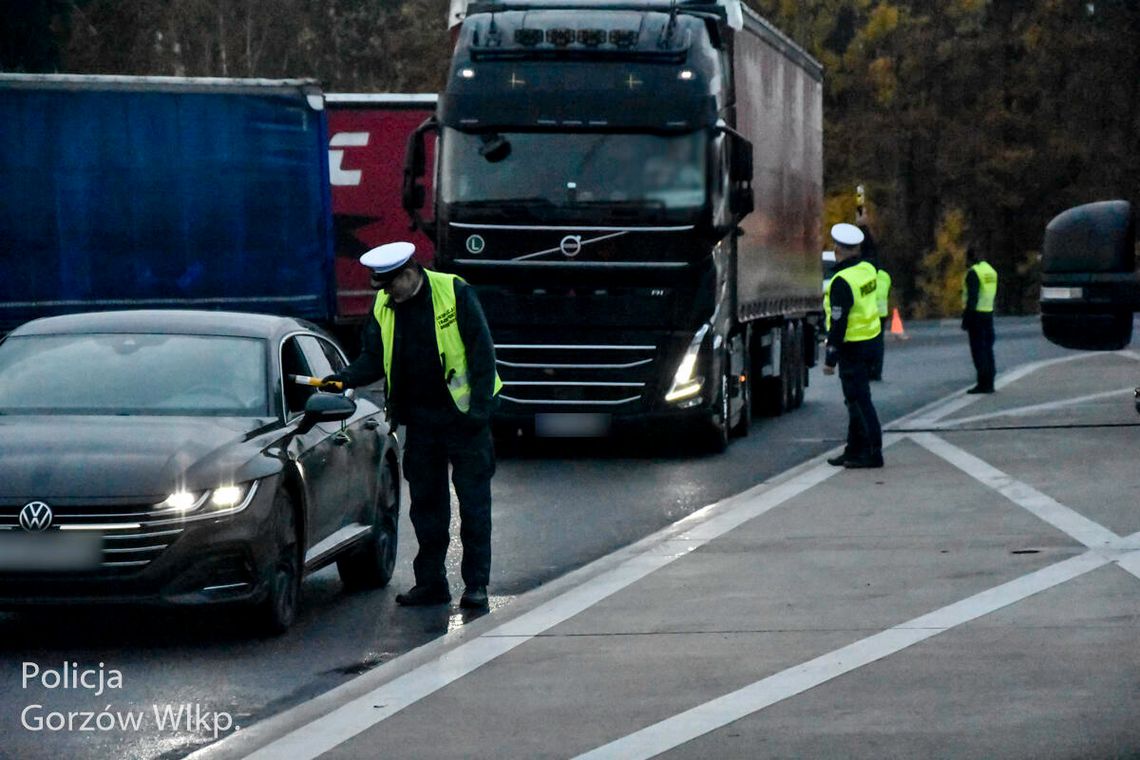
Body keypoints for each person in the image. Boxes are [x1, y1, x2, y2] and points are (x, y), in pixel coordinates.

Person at [323, 242, 502, 609]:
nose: (387, 294)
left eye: (391, 286)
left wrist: (479, 414)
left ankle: (476, 586)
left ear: (409, 273)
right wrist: (344, 379)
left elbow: (482, 354)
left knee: (474, 507)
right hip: (420, 422)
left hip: (465, 419)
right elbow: (373, 358)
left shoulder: (453, 291)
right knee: (426, 508)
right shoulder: (384, 305)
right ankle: (431, 583)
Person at [822, 223, 883, 469]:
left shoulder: (841, 281)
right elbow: (873, 252)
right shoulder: (868, 269)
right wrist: (864, 224)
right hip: (872, 342)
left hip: (853, 347)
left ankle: (872, 452)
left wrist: (830, 358)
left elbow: (839, 323)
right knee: (856, 399)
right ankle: (854, 450)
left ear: (837, 249)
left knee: (859, 401)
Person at [855, 211, 889, 382]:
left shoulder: (865, 273)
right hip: (881, 313)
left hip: (868, 311)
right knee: (878, 344)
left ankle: (867, 369)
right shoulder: (884, 276)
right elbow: (870, 251)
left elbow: (867, 251)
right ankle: (876, 371)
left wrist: (862, 227)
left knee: (866, 342)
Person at [962, 245, 997, 393]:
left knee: (978, 351)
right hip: (988, 313)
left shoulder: (973, 273)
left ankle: (983, 384)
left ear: (970, 258)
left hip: (976, 315)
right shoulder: (990, 271)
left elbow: (972, 298)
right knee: (988, 349)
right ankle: (990, 382)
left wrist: (966, 319)